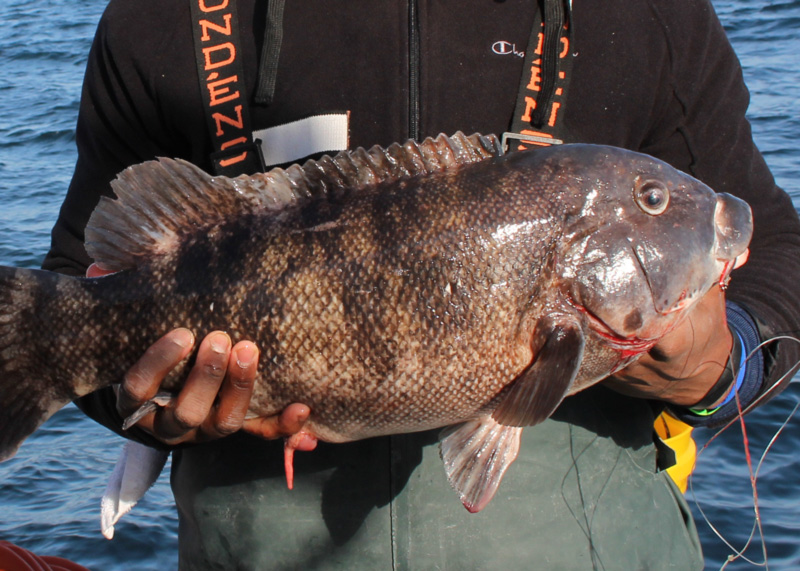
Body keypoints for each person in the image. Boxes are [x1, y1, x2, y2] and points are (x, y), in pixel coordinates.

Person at [42, 0, 800, 568]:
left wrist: (719, 361)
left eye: (652, 202)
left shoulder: (648, 14)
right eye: (653, 200)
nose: (669, 209)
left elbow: (775, 255)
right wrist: (151, 405)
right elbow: (84, 292)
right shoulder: (166, 17)